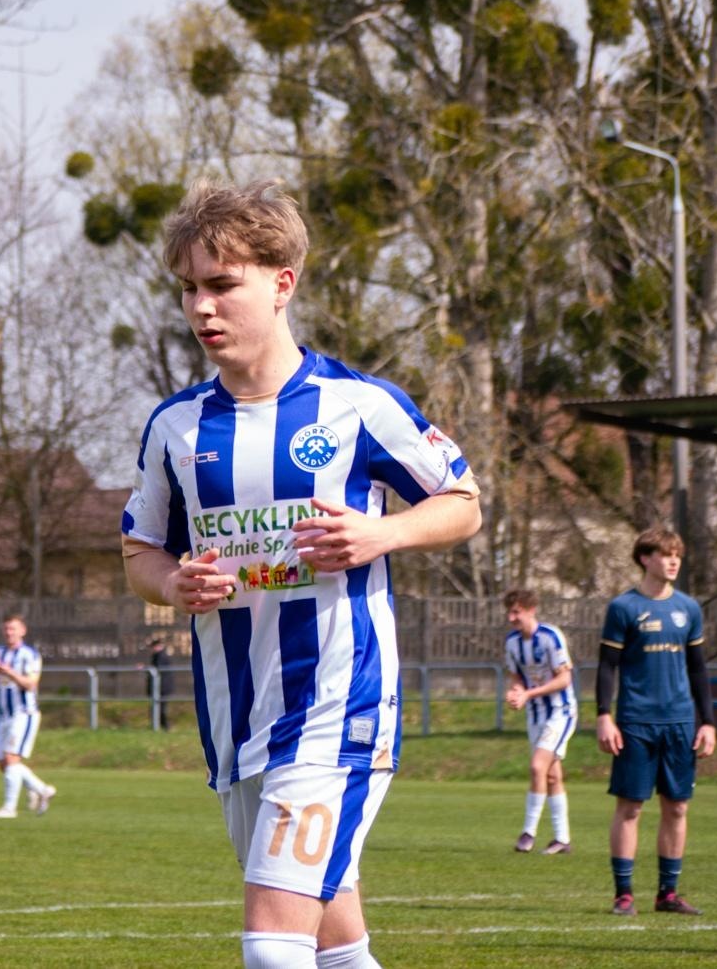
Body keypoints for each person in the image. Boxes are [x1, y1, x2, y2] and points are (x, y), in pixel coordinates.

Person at [121, 179, 481, 969]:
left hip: (334, 711)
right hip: (235, 719)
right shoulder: (176, 426)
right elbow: (139, 549)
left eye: (222, 284)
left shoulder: (356, 406)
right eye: (189, 288)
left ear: (282, 283)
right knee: (337, 951)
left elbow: (462, 503)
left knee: (272, 947)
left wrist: (380, 532)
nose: (201, 308)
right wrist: (172, 584)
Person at [596, 527, 715, 918]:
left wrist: (708, 721)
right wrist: (604, 716)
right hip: (635, 722)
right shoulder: (623, 608)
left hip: (680, 723)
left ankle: (668, 893)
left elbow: (698, 670)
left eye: (677, 553)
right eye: (666, 554)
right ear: (645, 558)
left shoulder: (689, 609)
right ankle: (623, 894)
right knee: (630, 808)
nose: (674, 560)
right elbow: (607, 667)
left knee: (677, 808)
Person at [503, 588, 575, 855]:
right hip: (536, 715)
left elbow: (564, 678)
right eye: (509, 612)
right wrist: (515, 692)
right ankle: (562, 839)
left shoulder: (550, 637)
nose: (511, 618)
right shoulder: (512, 643)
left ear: (531, 610)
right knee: (552, 775)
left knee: (537, 767)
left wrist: (528, 693)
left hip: (560, 712)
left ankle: (528, 833)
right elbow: (515, 677)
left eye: (516, 612)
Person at [0, 613, 56, 820]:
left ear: (22, 631)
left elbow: (30, 684)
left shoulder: (30, 655)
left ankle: (9, 808)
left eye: (13, 628)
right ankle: (42, 789)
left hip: (23, 713)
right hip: (3, 715)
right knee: (4, 763)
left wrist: (8, 672)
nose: (9, 632)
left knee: (11, 758)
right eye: (6, 628)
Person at [143, 636, 174, 731]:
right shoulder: (158, 656)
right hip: (159, 687)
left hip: (161, 687)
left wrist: (145, 668)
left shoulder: (161, 656)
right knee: (157, 707)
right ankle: (159, 726)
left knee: (161, 708)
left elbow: (158, 670)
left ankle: (165, 726)